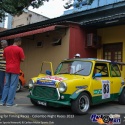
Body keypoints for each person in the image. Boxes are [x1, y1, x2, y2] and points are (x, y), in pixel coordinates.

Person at [0, 37, 25, 107]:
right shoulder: (20, 49)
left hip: (7, 69)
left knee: (6, 85)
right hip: (15, 69)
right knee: (12, 86)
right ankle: (9, 103)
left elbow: (3, 58)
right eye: (20, 42)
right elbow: (22, 59)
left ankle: (2, 101)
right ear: (19, 42)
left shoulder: (6, 49)